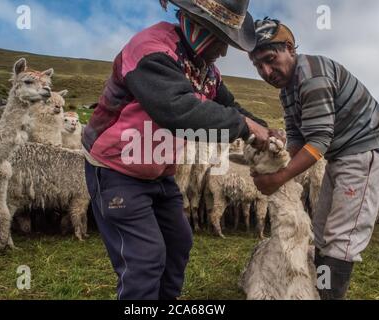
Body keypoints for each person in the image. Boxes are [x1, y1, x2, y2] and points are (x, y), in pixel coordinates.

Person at [82, 0, 270, 300]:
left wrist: (265, 129)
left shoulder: (206, 71)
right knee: (145, 258)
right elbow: (179, 111)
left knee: (178, 243)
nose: (223, 52)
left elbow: (229, 107)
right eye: (221, 41)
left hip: (158, 172)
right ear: (199, 28)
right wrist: (246, 128)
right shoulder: (151, 50)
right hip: (117, 169)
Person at [248, 18, 379, 299]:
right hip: (341, 155)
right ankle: (316, 290)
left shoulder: (312, 76)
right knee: (322, 231)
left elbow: (318, 141)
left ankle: (328, 295)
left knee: (342, 238)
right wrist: (272, 162)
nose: (266, 71)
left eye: (270, 59)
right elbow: (298, 138)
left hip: (364, 151)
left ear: (289, 48)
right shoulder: (288, 89)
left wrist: (277, 179)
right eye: (258, 66)